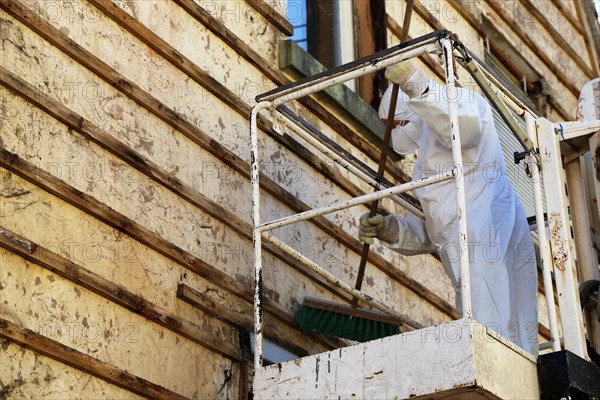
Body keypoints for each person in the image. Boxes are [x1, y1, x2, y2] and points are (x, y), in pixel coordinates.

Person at [358, 60, 539, 355]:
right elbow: (437, 228)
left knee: (493, 322)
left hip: (485, 227)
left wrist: (418, 87)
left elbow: (461, 128)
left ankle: (494, 359)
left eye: (395, 124)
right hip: (470, 237)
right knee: (489, 315)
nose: (393, 133)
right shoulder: (428, 155)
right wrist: (391, 229)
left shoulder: (461, 102)